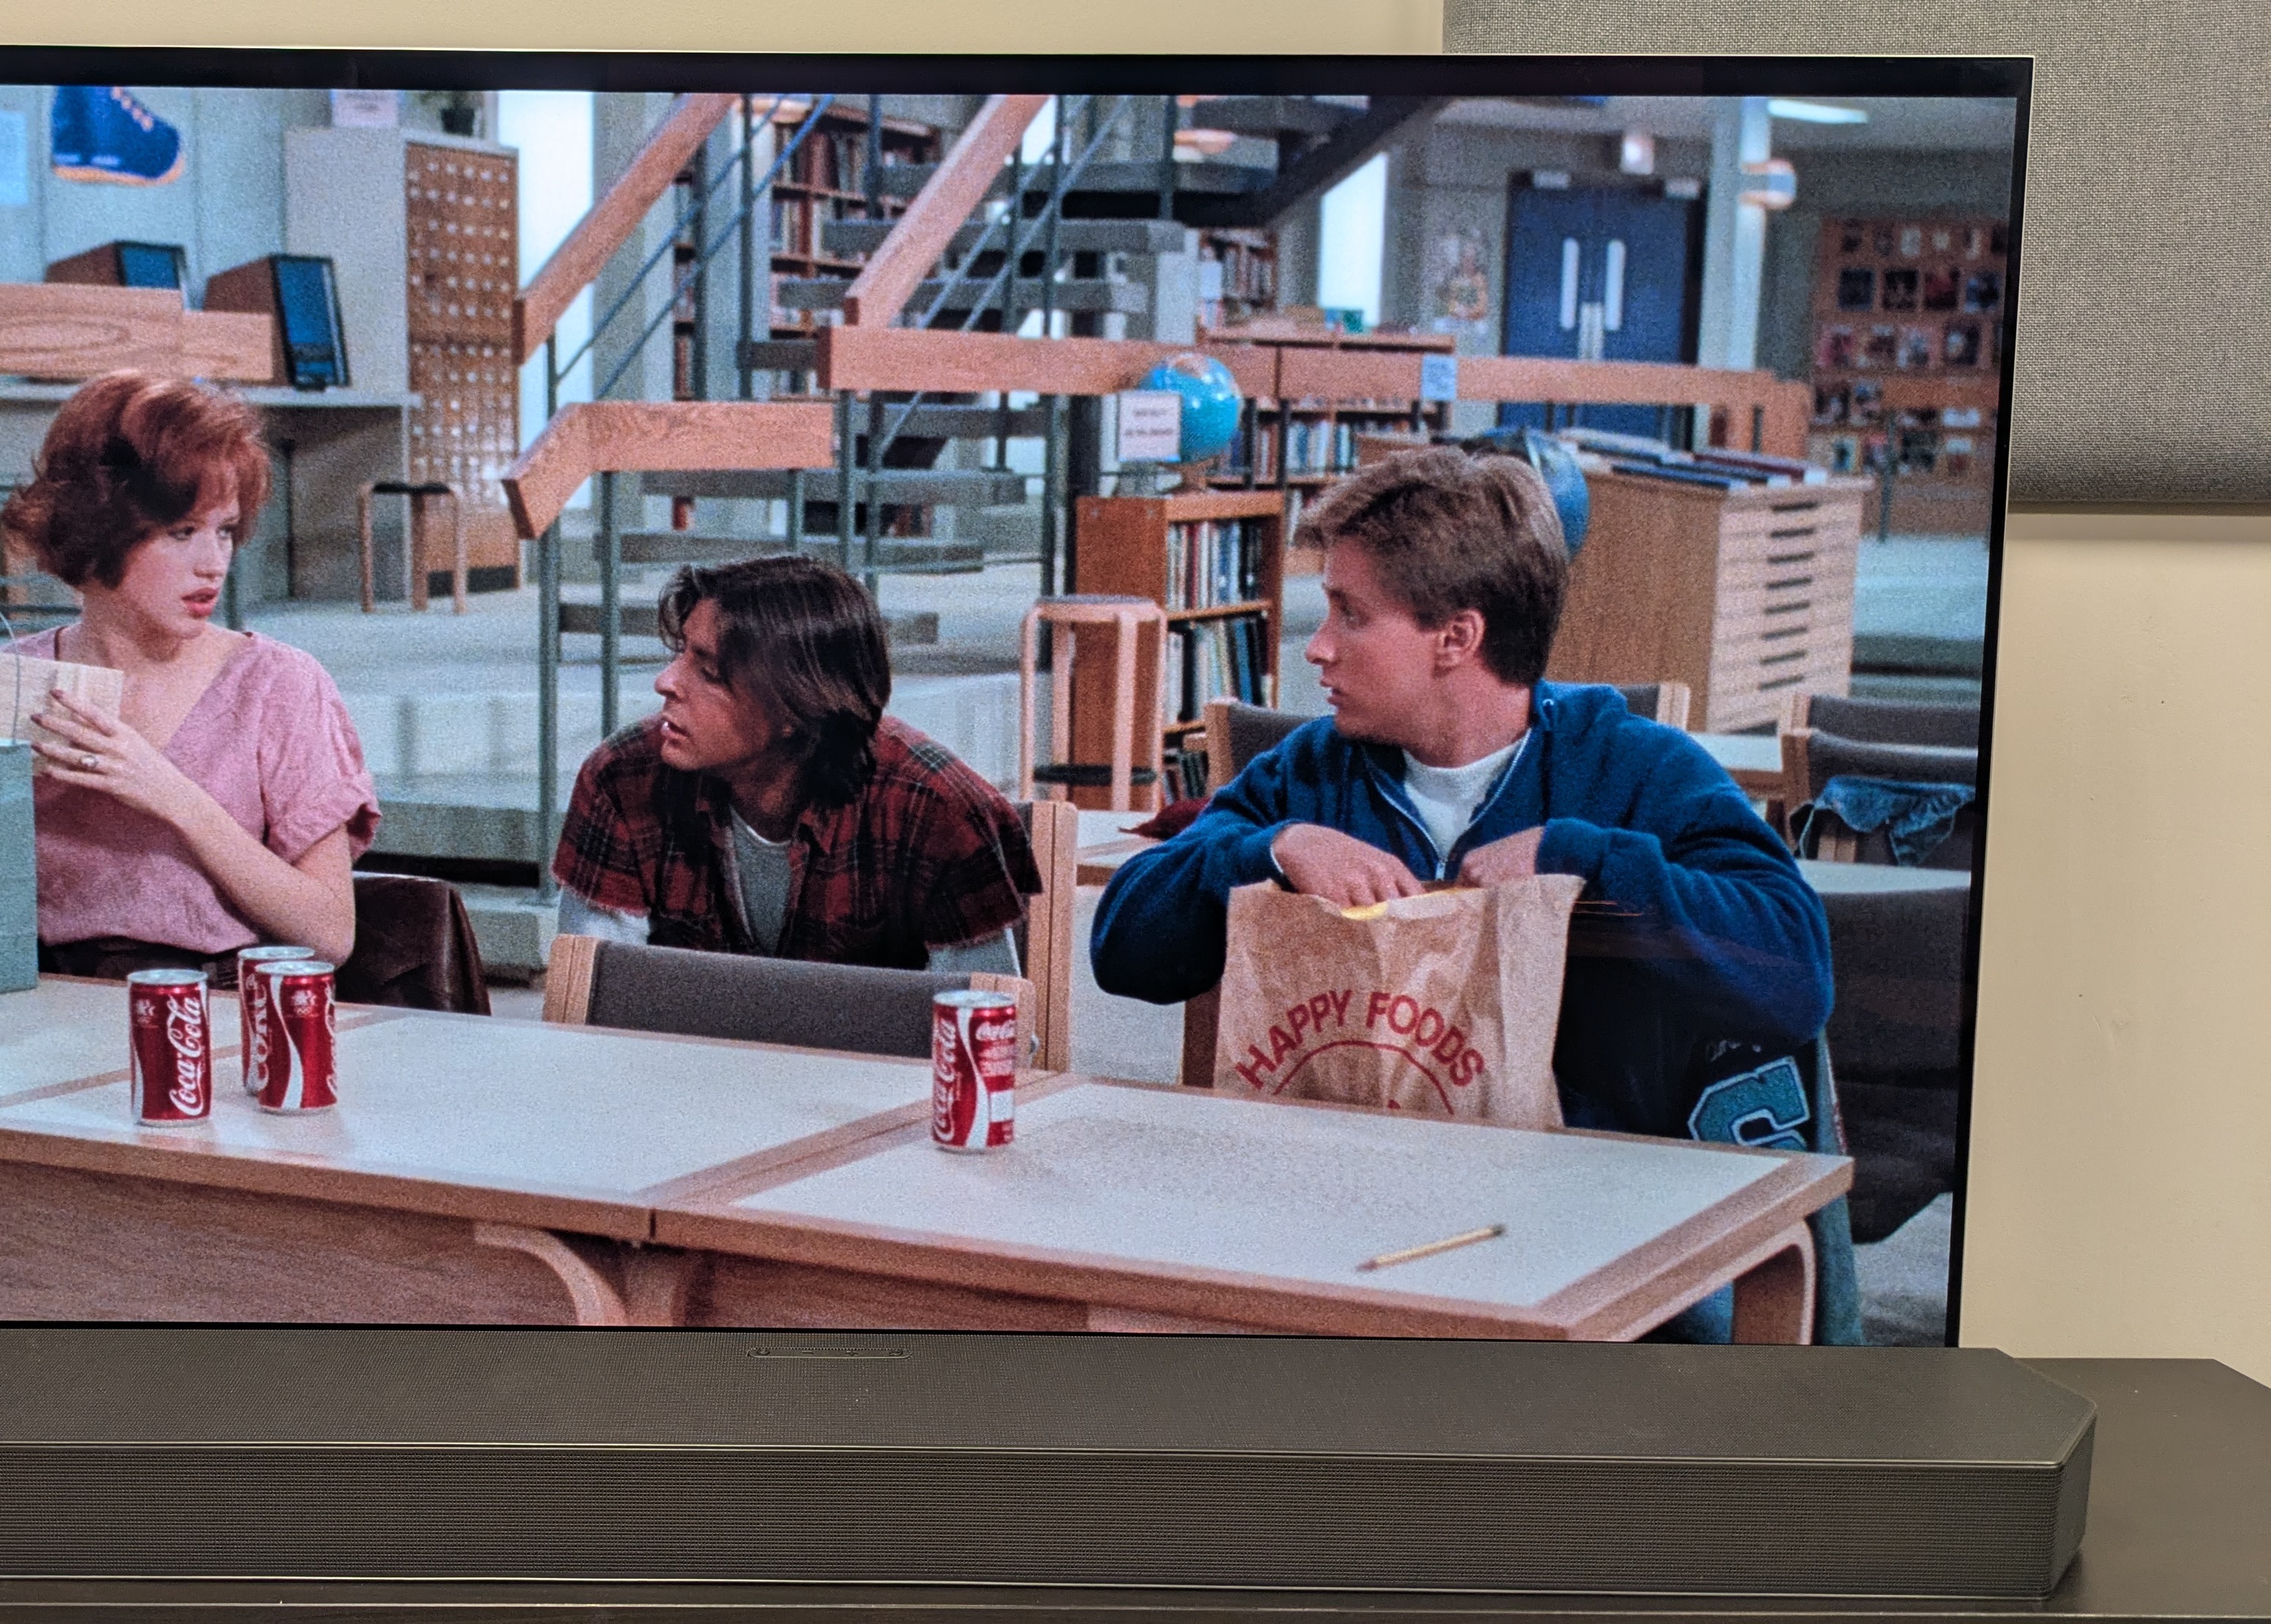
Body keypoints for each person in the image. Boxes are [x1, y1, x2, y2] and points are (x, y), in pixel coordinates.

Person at [1091, 446, 1848, 1337]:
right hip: (1337, 1223)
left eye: (1350, 614)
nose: (1317, 646)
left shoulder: (1635, 768)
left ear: (1458, 638)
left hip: (1589, 1225)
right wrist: (1271, 847)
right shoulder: (1311, 773)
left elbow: (1796, 973)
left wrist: (1589, 856)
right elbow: (1121, 952)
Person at [0, 370, 377, 981]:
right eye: (181, 532)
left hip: (205, 1018)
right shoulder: (6, 681)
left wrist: (170, 794)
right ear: (101, 528)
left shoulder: (278, 685)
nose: (214, 563)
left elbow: (329, 934)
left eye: (224, 531)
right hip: (30, 1004)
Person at [553, 555, 1040, 974]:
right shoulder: (622, 778)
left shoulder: (936, 807)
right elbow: (593, 1005)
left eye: (709, 672)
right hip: (676, 1074)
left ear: (796, 706)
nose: (664, 682)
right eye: (681, 654)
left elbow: (991, 1035)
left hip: (878, 1080)